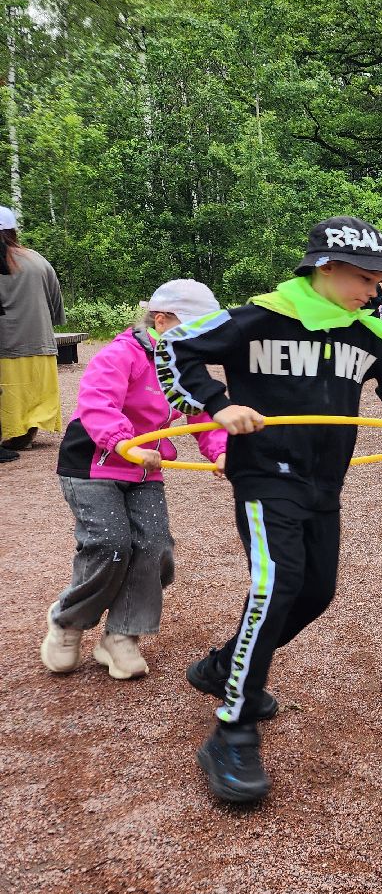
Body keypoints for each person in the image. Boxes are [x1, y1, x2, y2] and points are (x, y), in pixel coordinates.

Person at [156, 216, 382, 805]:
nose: (374, 291)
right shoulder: (259, 318)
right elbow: (175, 348)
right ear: (325, 268)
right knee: (277, 584)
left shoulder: (366, 331)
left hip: (323, 481)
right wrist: (217, 405)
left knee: (316, 592)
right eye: (365, 279)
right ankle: (232, 731)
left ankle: (223, 667)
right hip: (264, 473)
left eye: (379, 282)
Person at [41, 280, 228, 679]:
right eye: (194, 328)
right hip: (94, 462)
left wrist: (220, 451)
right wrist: (124, 444)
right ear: (161, 320)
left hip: (145, 466)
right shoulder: (119, 354)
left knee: (155, 547)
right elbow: (98, 403)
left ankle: (122, 635)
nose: (202, 339)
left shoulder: (186, 368)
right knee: (109, 544)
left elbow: (203, 416)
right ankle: (68, 621)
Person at [0, 205, 64, 457]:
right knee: (33, 391)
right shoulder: (36, 260)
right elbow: (55, 299)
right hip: (38, 340)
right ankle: (26, 431)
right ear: (13, 231)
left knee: (8, 391)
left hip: (5, 344)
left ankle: (13, 430)